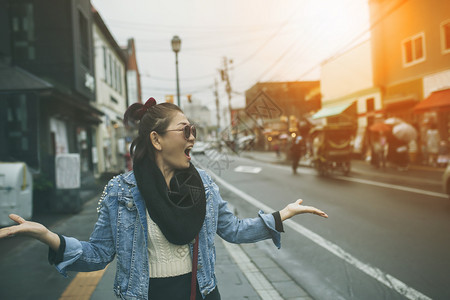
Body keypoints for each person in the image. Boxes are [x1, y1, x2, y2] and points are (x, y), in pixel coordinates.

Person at [0, 98, 328, 300]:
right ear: (156, 139)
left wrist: (281, 215)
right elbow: (99, 254)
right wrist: (49, 237)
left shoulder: (205, 186)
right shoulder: (118, 191)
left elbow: (234, 230)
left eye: (194, 130)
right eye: (185, 130)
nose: (193, 137)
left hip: (201, 292)